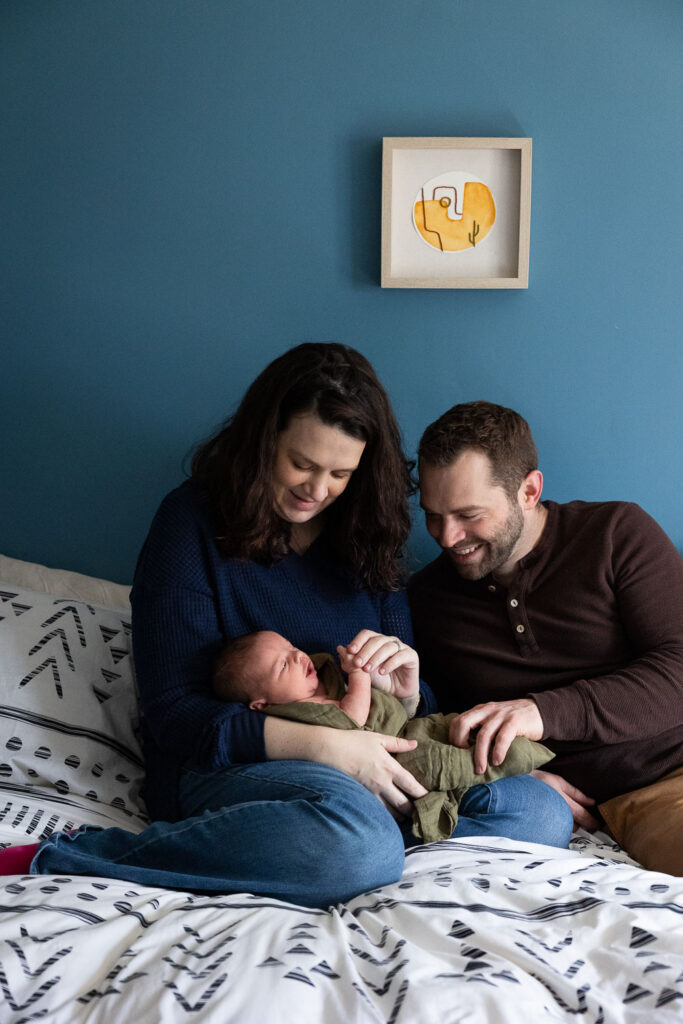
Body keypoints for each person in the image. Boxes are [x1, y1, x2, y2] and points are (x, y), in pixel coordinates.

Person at [0, 349, 570, 906]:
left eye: (341, 473)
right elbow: (174, 714)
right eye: (302, 463)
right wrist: (326, 747)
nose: (317, 489)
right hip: (231, 767)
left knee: (539, 813)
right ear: (263, 441)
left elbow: (408, 712)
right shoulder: (191, 523)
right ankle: (81, 854)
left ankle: (344, 843)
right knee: (360, 844)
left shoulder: (367, 534)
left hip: (372, 761)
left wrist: (409, 686)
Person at [408, 400, 683, 875]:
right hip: (639, 794)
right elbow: (438, 726)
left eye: (469, 514)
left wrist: (541, 711)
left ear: (529, 491)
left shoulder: (616, 533)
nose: (448, 537)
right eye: (433, 515)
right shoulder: (428, 600)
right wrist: (516, 774)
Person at [211, 629, 555, 842]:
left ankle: (496, 750)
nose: (299, 655)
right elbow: (352, 717)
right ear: (260, 704)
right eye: (283, 665)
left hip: (408, 731)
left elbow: (399, 706)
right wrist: (358, 676)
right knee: (453, 764)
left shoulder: (320, 681)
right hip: (396, 762)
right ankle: (504, 760)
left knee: (545, 815)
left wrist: (405, 695)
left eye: (290, 647)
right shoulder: (299, 713)